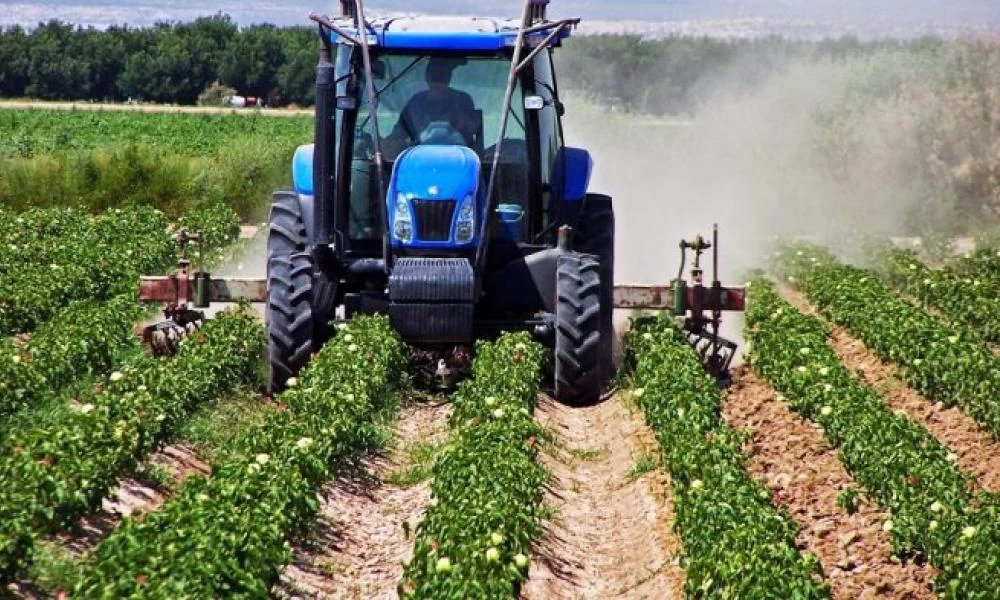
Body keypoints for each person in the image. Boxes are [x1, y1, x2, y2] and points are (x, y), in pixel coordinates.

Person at [385, 58, 476, 154]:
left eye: (441, 74)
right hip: (417, 160)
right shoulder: (415, 103)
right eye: (434, 75)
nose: (438, 78)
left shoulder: (462, 101)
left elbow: (474, 132)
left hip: (460, 159)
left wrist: (463, 123)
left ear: (449, 76)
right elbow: (398, 135)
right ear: (427, 76)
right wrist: (386, 146)